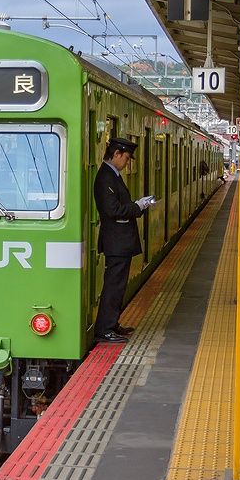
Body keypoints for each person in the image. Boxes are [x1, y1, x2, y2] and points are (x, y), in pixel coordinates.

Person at [93, 137, 152, 343]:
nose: (127, 162)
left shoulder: (113, 176)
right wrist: (137, 207)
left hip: (120, 241)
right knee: (113, 285)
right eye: (126, 158)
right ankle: (105, 329)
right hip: (116, 241)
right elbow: (112, 210)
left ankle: (112, 323)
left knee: (118, 285)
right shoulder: (105, 177)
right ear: (116, 154)